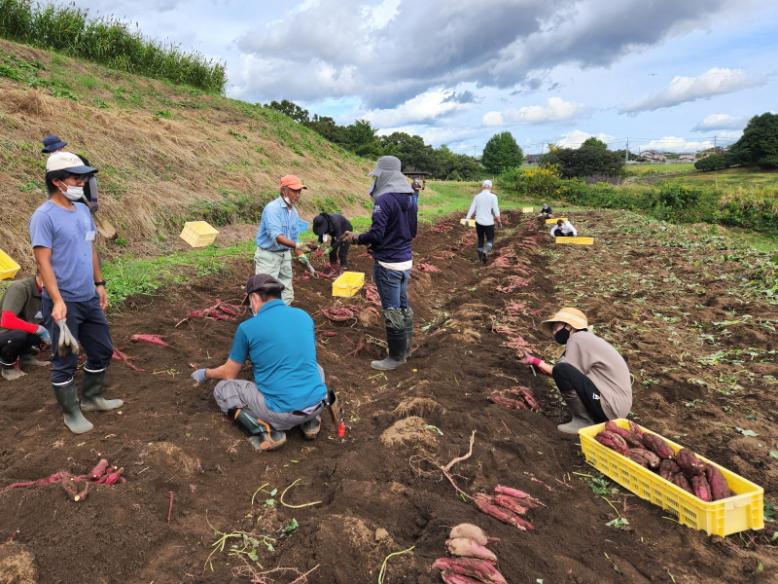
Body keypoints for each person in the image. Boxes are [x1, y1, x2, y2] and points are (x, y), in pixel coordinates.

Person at [30, 151, 123, 434]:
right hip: (64, 301)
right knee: (65, 359)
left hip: (88, 297)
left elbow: (90, 248)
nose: (82, 182)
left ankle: (93, 397)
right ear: (57, 181)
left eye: (83, 177)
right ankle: (71, 412)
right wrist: (57, 300)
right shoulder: (43, 217)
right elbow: (42, 261)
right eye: (75, 177)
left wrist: (100, 283)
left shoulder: (82, 209)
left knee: (102, 349)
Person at [190, 274, 328, 451]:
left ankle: (268, 433)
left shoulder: (248, 328)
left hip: (283, 413)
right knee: (315, 367)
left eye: (249, 301)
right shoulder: (304, 316)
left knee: (223, 389)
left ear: (254, 297)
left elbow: (229, 374)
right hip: (318, 402)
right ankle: (311, 421)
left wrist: (205, 373)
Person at [342, 155, 418, 371]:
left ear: (384, 174)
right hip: (405, 261)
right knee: (403, 305)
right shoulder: (411, 197)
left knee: (392, 309)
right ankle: (406, 348)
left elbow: (376, 235)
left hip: (388, 264)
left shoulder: (384, 200)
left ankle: (395, 357)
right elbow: (412, 231)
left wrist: (356, 238)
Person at [518, 307, 632, 434]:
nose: (555, 333)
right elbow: (573, 377)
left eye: (557, 327)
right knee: (561, 370)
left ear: (569, 326)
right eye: (553, 330)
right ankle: (591, 418)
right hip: (614, 407)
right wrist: (543, 369)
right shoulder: (586, 340)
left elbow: (562, 371)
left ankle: (583, 421)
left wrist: (535, 361)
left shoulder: (578, 338)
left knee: (561, 369)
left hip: (610, 406)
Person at [255, 175, 315, 305]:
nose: (298, 195)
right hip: (268, 256)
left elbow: (294, 238)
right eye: (295, 191)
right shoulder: (272, 209)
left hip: (285, 255)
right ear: (284, 191)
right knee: (265, 290)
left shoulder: (293, 212)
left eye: (300, 191)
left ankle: (282, 315)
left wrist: (302, 254)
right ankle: (262, 321)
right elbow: (277, 236)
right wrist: (300, 245)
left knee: (287, 291)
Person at [0, 274, 51, 381]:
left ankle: (25, 357)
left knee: (48, 325)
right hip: (3, 333)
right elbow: (7, 320)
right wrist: (38, 329)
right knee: (20, 334)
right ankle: (7, 367)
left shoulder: (45, 291)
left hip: (15, 332)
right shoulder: (20, 288)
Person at [41, 135, 99, 214]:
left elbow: (91, 179)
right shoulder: (51, 166)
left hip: (82, 201)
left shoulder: (77, 160)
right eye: (52, 150)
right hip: (66, 204)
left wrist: (94, 200)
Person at [465, 179, 502, 263]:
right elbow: (496, 210)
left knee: (480, 239)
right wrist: (499, 221)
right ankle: (485, 251)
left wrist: (467, 219)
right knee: (490, 239)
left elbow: (472, 208)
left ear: (482, 187)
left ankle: (481, 259)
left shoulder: (477, 197)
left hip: (479, 222)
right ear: (491, 187)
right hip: (489, 222)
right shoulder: (493, 197)